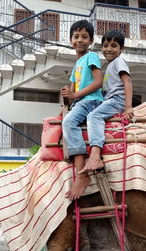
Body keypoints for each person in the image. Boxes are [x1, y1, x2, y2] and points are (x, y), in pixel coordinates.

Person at [80, 29, 134, 175]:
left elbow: (127, 82)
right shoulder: (109, 65)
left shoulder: (119, 61)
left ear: (121, 49)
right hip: (110, 100)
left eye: (114, 45)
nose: (109, 49)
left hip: (117, 101)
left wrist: (128, 107)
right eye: (105, 45)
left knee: (94, 116)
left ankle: (95, 156)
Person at [61, 20, 103, 200]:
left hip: (92, 101)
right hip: (80, 103)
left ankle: (81, 173)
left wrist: (75, 95)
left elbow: (98, 82)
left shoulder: (91, 56)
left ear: (91, 40)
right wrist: (66, 94)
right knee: (66, 119)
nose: (80, 40)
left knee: (69, 122)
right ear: (71, 40)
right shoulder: (76, 65)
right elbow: (71, 93)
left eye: (84, 37)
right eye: (76, 36)